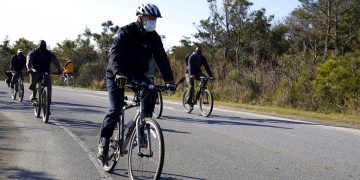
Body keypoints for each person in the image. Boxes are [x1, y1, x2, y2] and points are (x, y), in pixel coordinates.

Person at [97, 3, 176, 162]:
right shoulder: (125, 31)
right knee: (116, 108)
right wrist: (118, 73)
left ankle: (142, 127)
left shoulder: (154, 37)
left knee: (152, 90)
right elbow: (115, 54)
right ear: (140, 17)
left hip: (137, 74)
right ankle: (104, 142)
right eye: (150, 18)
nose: (153, 21)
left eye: (155, 19)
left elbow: (162, 59)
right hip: (116, 73)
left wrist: (169, 80)